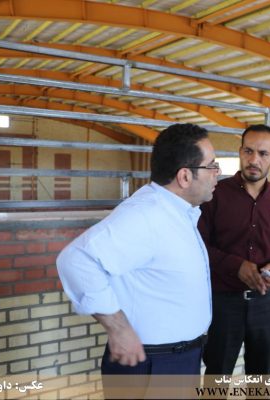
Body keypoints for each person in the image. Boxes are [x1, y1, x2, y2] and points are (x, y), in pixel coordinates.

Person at [56, 123, 220, 398]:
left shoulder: (177, 211)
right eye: (211, 166)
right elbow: (76, 260)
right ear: (184, 176)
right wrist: (118, 329)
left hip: (178, 360)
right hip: (153, 366)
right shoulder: (146, 214)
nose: (217, 173)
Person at [199, 124, 270, 377]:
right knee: (217, 378)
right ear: (240, 152)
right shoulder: (215, 195)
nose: (254, 160)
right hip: (223, 304)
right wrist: (237, 266)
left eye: (263, 154)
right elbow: (198, 247)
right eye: (248, 151)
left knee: (260, 379)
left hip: (267, 304)